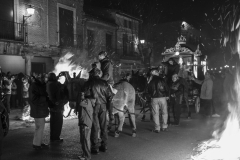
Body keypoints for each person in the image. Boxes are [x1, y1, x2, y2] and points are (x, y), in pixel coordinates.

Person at [83, 68, 113, 154]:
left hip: (92, 107)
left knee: (95, 127)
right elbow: (110, 97)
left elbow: (84, 96)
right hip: (103, 107)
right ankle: (104, 146)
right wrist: (110, 112)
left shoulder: (88, 83)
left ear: (92, 74)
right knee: (104, 126)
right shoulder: (104, 83)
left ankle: (95, 147)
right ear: (99, 74)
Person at [29, 75, 49, 150]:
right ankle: (37, 144)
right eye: (43, 78)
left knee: (40, 127)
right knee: (39, 127)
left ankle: (39, 142)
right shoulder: (34, 86)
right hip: (38, 110)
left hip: (40, 109)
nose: (44, 79)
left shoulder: (38, 86)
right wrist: (45, 98)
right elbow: (34, 98)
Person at [46, 72, 68, 142]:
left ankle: (52, 136)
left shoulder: (47, 84)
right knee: (58, 122)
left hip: (51, 106)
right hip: (58, 106)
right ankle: (56, 137)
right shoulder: (56, 84)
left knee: (52, 122)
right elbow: (64, 88)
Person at [147, 68, 169, 132]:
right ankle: (164, 126)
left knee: (155, 113)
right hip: (162, 98)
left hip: (154, 98)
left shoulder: (150, 80)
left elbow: (148, 89)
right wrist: (167, 95)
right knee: (164, 112)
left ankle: (157, 128)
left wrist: (150, 96)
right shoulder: (162, 79)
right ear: (157, 73)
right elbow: (166, 88)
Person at [76, 92, 94, 160]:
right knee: (83, 140)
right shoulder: (87, 101)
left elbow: (80, 103)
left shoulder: (87, 101)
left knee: (85, 140)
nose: (80, 96)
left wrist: (80, 98)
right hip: (84, 123)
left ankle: (87, 156)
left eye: (82, 95)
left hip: (85, 123)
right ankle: (84, 154)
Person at [98, 51, 115, 121]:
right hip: (102, 81)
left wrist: (99, 80)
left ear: (103, 56)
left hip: (108, 82)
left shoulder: (107, 63)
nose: (98, 57)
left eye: (99, 56)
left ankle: (111, 114)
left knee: (109, 97)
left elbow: (107, 75)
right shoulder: (101, 63)